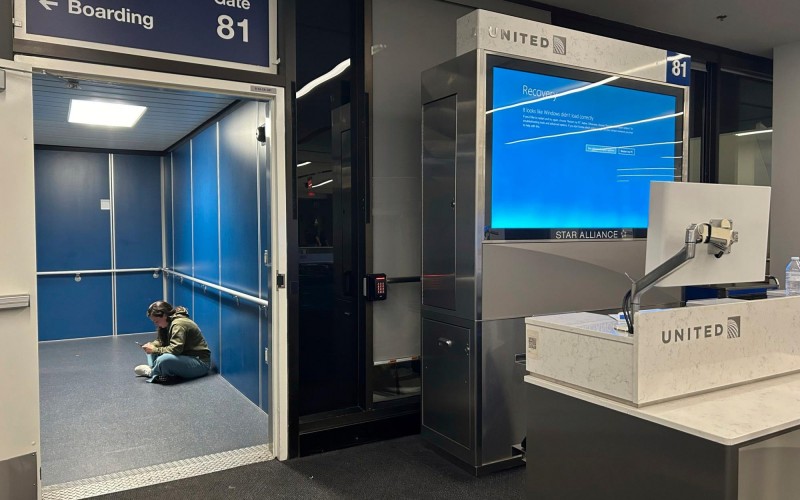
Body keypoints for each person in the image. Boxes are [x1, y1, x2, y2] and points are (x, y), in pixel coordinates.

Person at [134, 301, 211, 384]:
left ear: (164, 315)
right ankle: (157, 370)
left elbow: (176, 349)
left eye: (156, 321)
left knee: (163, 359)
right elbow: (162, 341)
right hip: (185, 357)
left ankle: (151, 372)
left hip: (200, 363)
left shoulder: (178, 324)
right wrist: (153, 345)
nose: (156, 324)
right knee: (151, 349)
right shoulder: (169, 321)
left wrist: (155, 349)